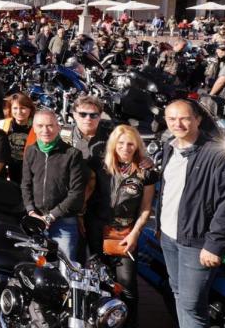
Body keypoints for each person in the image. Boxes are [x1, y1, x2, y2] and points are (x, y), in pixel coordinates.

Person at [159, 100, 225, 328]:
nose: (177, 124)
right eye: (171, 119)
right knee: (178, 293)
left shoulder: (218, 154)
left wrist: (215, 244)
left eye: (184, 118)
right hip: (169, 236)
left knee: (191, 304)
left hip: (197, 242)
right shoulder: (170, 147)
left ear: (198, 119)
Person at [87, 125, 156, 327]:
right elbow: (86, 194)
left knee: (127, 285)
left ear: (137, 146)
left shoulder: (146, 172)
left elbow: (145, 209)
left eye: (131, 144)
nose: (125, 147)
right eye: (121, 143)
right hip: (96, 230)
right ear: (114, 144)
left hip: (124, 233)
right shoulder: (99, 165)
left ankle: (128, 323)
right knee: (99, 281)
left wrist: (135, 234)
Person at [20, 109, 87, 262]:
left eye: (50, 125)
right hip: (36, 220)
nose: (45, 130)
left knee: (66, 268)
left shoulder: (72, 154)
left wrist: (51, 217)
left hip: (63, 222)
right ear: (34, 128)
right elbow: (25, 184)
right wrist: (31, 212)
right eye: (40, 126)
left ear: (58, 127)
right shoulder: (30, 151)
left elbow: (76, 193)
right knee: (38, 269)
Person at [0, 93, 37, 182]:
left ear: (30, 110)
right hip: (9, 168)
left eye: (23, 108)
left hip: (31, 169)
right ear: (10, 109)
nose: (19, 112)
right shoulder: (2, 124)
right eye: (15, 108)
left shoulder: (38, 126)